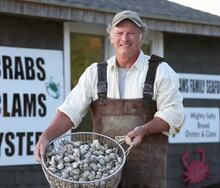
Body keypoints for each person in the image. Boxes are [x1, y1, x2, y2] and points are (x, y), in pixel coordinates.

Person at [35, 10, 185, 188]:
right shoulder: (95, 73)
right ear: (111, 37)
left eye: (131, 33)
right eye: (119, 33)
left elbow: (174, 114)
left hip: (147, 177)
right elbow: (70, 111)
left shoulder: (161, 71)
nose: (125, 38)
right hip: (101, 177)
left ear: (141, 36)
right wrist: (46, 137)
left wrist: (144, 129)